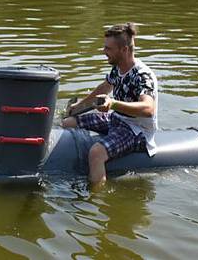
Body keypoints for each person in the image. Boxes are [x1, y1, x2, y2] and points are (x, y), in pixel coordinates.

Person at [62, 23, 158, 188]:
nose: (103, 51)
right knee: (68, 122)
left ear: (124, 50)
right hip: (116, 119)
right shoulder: (118, 68)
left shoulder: (142, 76)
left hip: (136, 131)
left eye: (108, 48)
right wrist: (77, 107)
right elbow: (103, 88)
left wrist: (113, 103)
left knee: (96, 153)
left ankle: (96, 198)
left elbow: (148, 109)